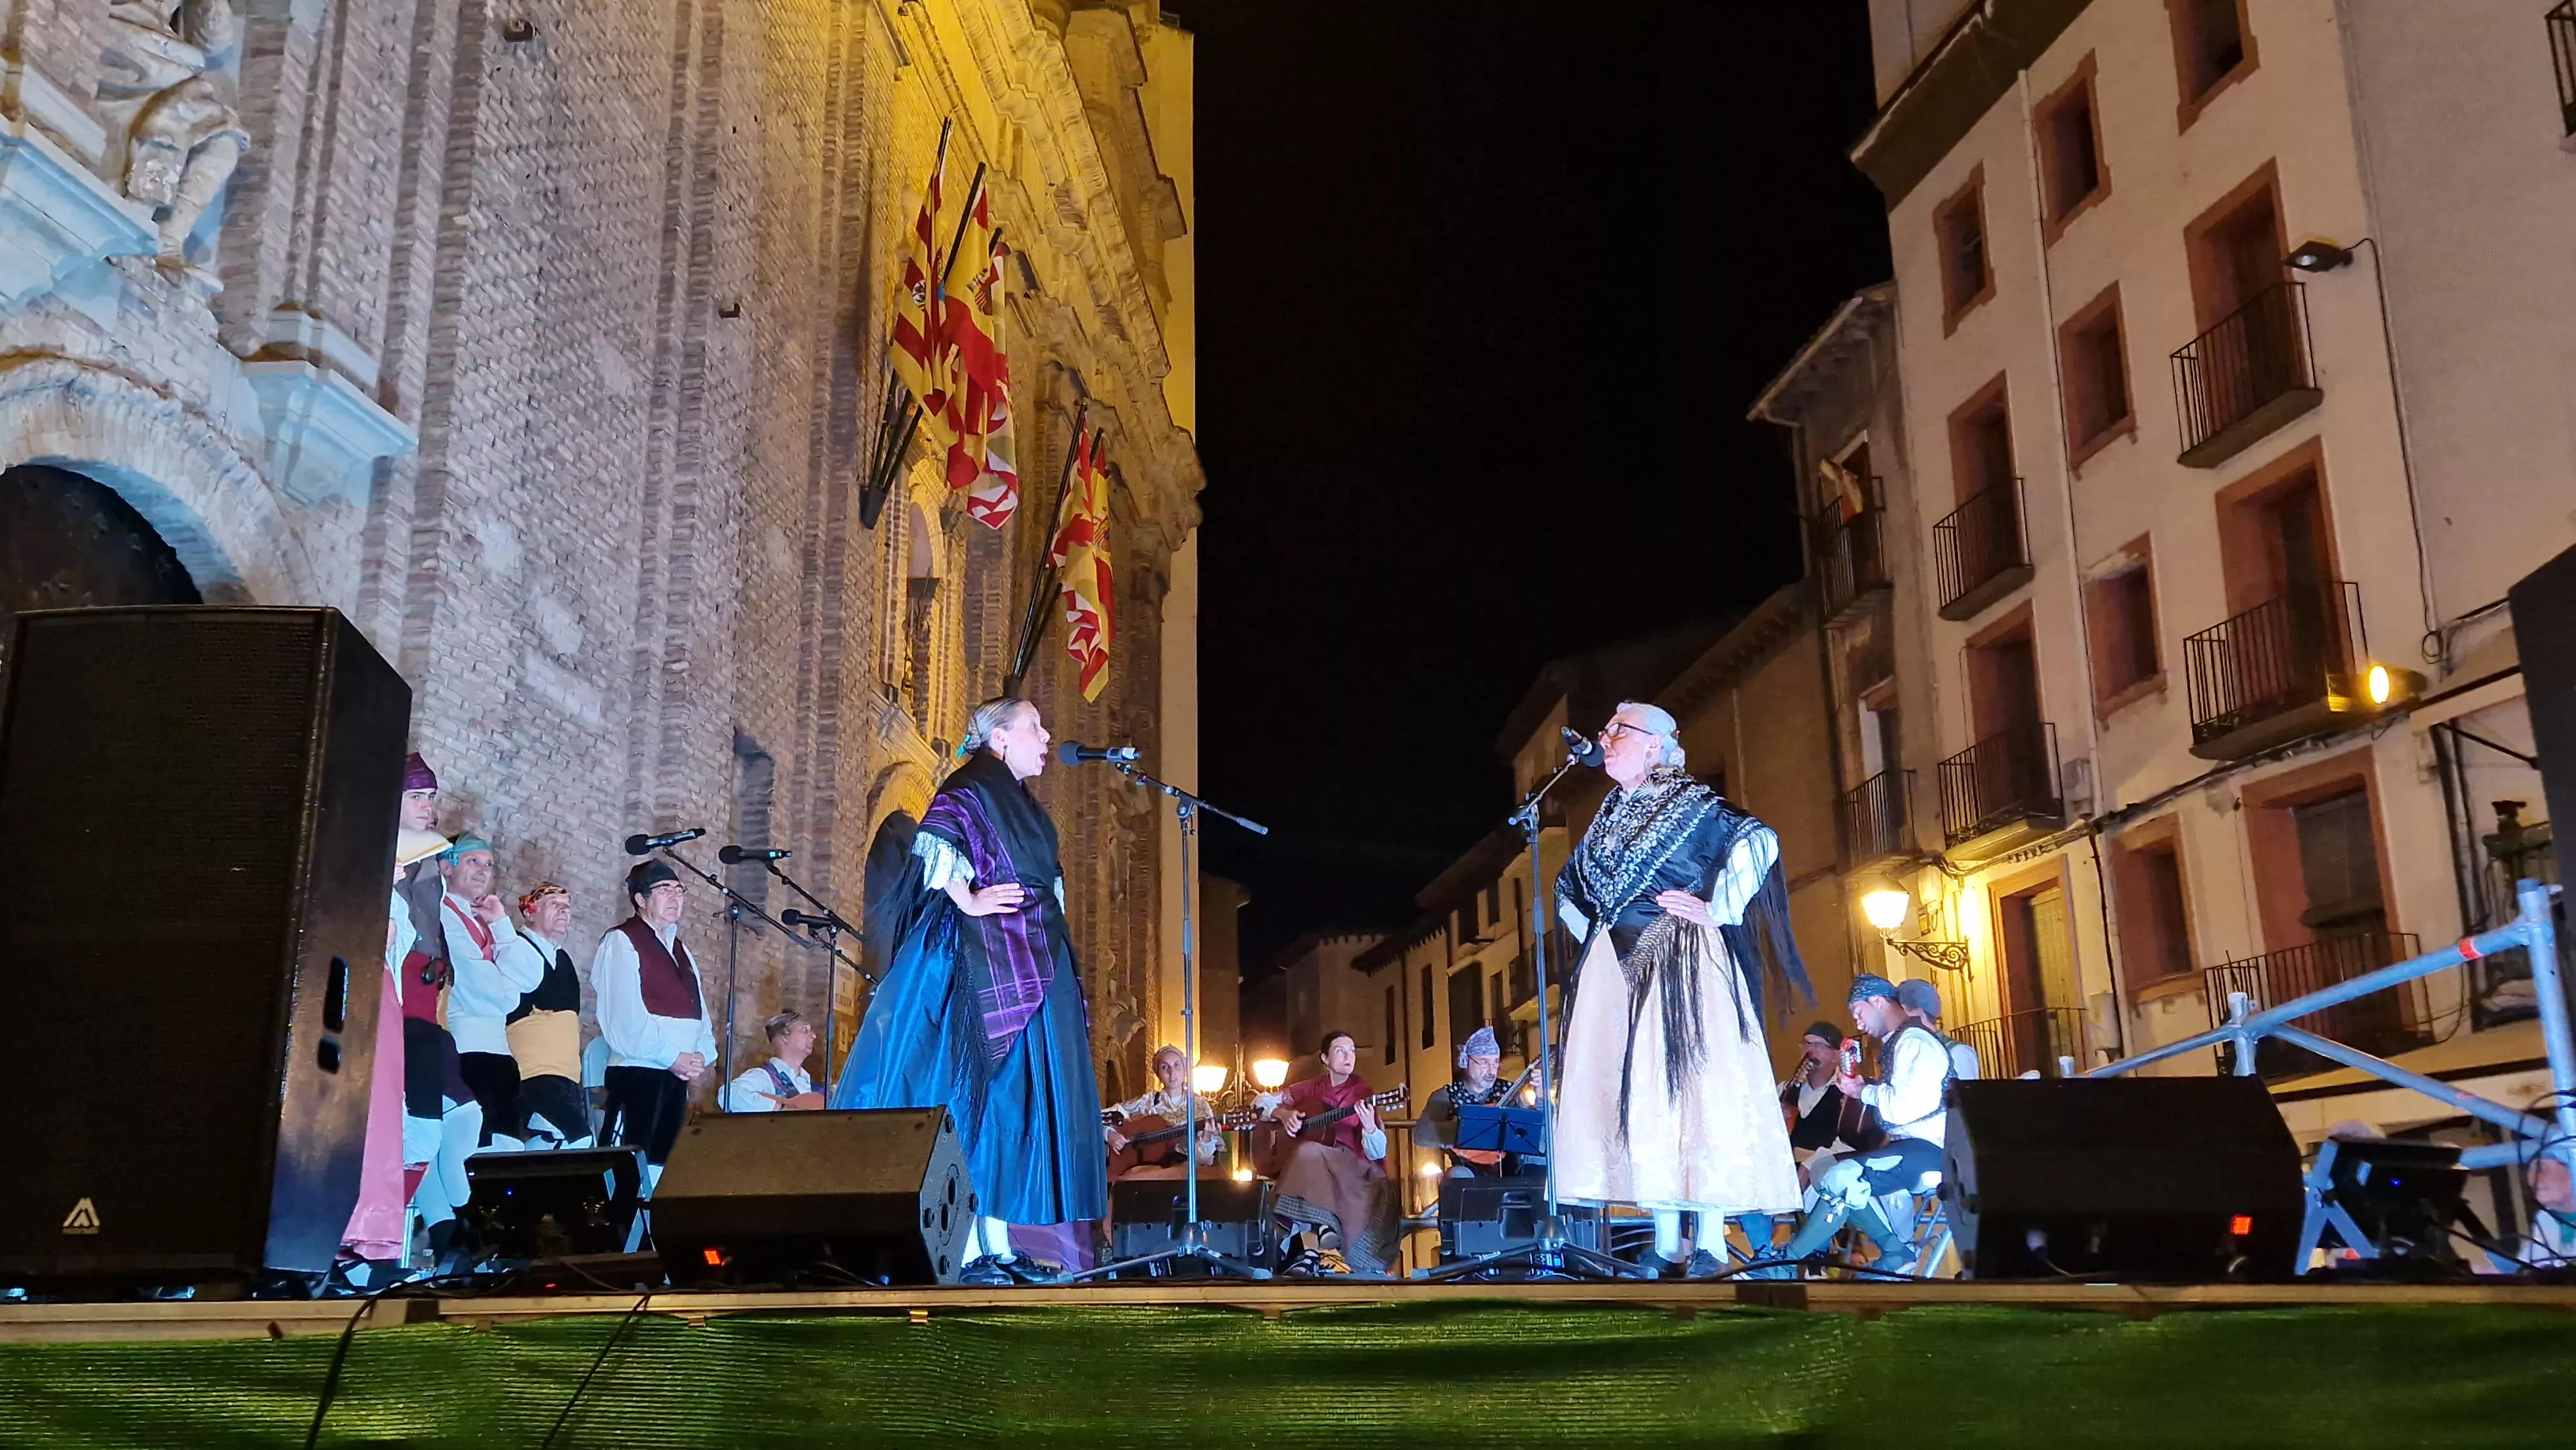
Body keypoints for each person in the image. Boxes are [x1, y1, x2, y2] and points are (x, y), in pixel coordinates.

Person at [831, 696, 1108, 1282]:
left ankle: (1000, 1241)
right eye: (1035, 725)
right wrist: (970, 897)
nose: (1047, 733)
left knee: (1016, 1099)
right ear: (1000, 739)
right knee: (974, 1093)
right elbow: (935, 843)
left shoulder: (1025, 803)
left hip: (1032, 955)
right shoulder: (972, 783)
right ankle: (964, 1248)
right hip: (981, 960)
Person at [1554, 701, 1809, 1275]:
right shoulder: (1610, 813)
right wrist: (1594, 935)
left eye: (1620, 730)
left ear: (1655, 745)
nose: (1607, 737)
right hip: (1617, 970)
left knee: (1690, 1089)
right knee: (1643, 1098)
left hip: (1680, 959)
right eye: (1607, 730)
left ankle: (1712, 1241)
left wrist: (1718, 907)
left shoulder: (1693, 803)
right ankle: (1668, 1241)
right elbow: (1569, 884)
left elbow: (1758, 839)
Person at [1772, 974, 1952, 1274]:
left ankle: (1790, 1263)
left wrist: (1862, 1092)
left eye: (1858, 1013)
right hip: (1909, 1146)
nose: (1858, 1024)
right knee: (1822, 1169)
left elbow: (1907, 1108)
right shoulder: (1902, 1043)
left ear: (1878, 1002)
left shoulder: (1916, 1043)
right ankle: (1894, 1251)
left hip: (1929, 1149)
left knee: (1842, 1177)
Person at [341, 825, 452, 1276]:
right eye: (398, 860)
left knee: (388, 1121)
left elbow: (399, 944)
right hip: (364, 1003)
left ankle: (371, 1242)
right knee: (366, 1122)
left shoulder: (393, 901)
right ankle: (349, 1241)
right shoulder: (350, 894)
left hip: (386, 1002)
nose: (404, 869)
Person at [392, 753, 482, 1260]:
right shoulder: (387, 853)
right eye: (417, 797)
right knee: (416, 1129)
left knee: (452, 1120)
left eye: (430, 798)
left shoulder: (425, 855)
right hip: (396, 1009)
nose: (428, 807)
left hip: (426, 1013)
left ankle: (450, 1230)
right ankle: (384, 1245)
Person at [593, 858, 717, 1192]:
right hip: (639, 1070)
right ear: (640, 899)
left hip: (673, 1072)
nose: (675, 898)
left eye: (679, 890)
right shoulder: (622, 941)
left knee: (662, 1158)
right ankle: (618, 1234)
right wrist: (671, 1056)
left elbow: (698, 1009)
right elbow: (622, 1015)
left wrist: (701, 1054)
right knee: (627, 1160)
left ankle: (648, 1232)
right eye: (664, 890)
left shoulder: (681, 949)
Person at [1258, 1030, 1399, 1276]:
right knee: (1309, 1155)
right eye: (1341, 1051)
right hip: (1317, 1168)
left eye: (1352, 1050)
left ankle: (1310, 1249)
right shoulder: (1311, 1088)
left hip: (1353, 1169)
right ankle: (1319, 1244)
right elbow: (1261, 1101)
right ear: (1325, 1058)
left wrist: (1369, 1127)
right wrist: (1282, 1114)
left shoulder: (1363, 1093)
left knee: (1308, 1152)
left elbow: (1377, 1151)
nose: (1349, 1056)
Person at [440, 834, 547, 1149]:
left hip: (499, 1050)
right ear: (447, 866)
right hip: (465, 1049)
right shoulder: (444, 914)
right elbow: (482, 988)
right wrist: (508, 987)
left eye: (488, 864)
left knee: (509, 1146)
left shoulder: (482, 918)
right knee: (476, 1151)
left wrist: (501, 923)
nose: (483, 870)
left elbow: (532, 977)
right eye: (473, 861)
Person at [507, 882, 592, 1147]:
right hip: (533, 1071)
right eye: (555, 904)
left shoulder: (563, 959)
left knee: (547, 1147)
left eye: (567, 907)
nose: (564, 911)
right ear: (531, 912)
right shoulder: (515, 948)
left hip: (566, 1073)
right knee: (578, 1138)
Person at [1412, 1026, 1526, 1178]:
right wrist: (1467, 1130)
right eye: (1484, 1063)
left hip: (1510, 1166)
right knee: (1457, 1177)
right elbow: (1421, 1135)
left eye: (1495, 1063)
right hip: (1467, 1168)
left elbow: (1532, 1130)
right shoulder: (1448, 1095)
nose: (1492, 1071)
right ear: (1467, 1062)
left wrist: (1540, 1096)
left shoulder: (1510, 1091)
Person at [1103, 1044, 1222, 1178]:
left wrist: (1206, 1139)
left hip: (1187, 1170)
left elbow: (1202, 1160)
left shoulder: (1200, 1105)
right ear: (1159, 1074)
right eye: (1165, 1067)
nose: (1172, 1073)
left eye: (1177, 1066)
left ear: (1185, 1071)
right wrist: (1110, 1134)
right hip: (1151, 1168)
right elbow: (1102, 1117)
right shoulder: (1149, 1100)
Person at [726, 1011, 823, 1113]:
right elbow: (728, 1094)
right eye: (804, 1030)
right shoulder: (763, 1076)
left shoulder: (815, 1087)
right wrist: (781, 1108)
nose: (814, 1036)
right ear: (784, 1037)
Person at [1895, 978, 1980, 1081]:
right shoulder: (1911, 1051)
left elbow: (1965, 1096)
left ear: (1918, 1012)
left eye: (1900, 1012)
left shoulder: (1958, 1052)